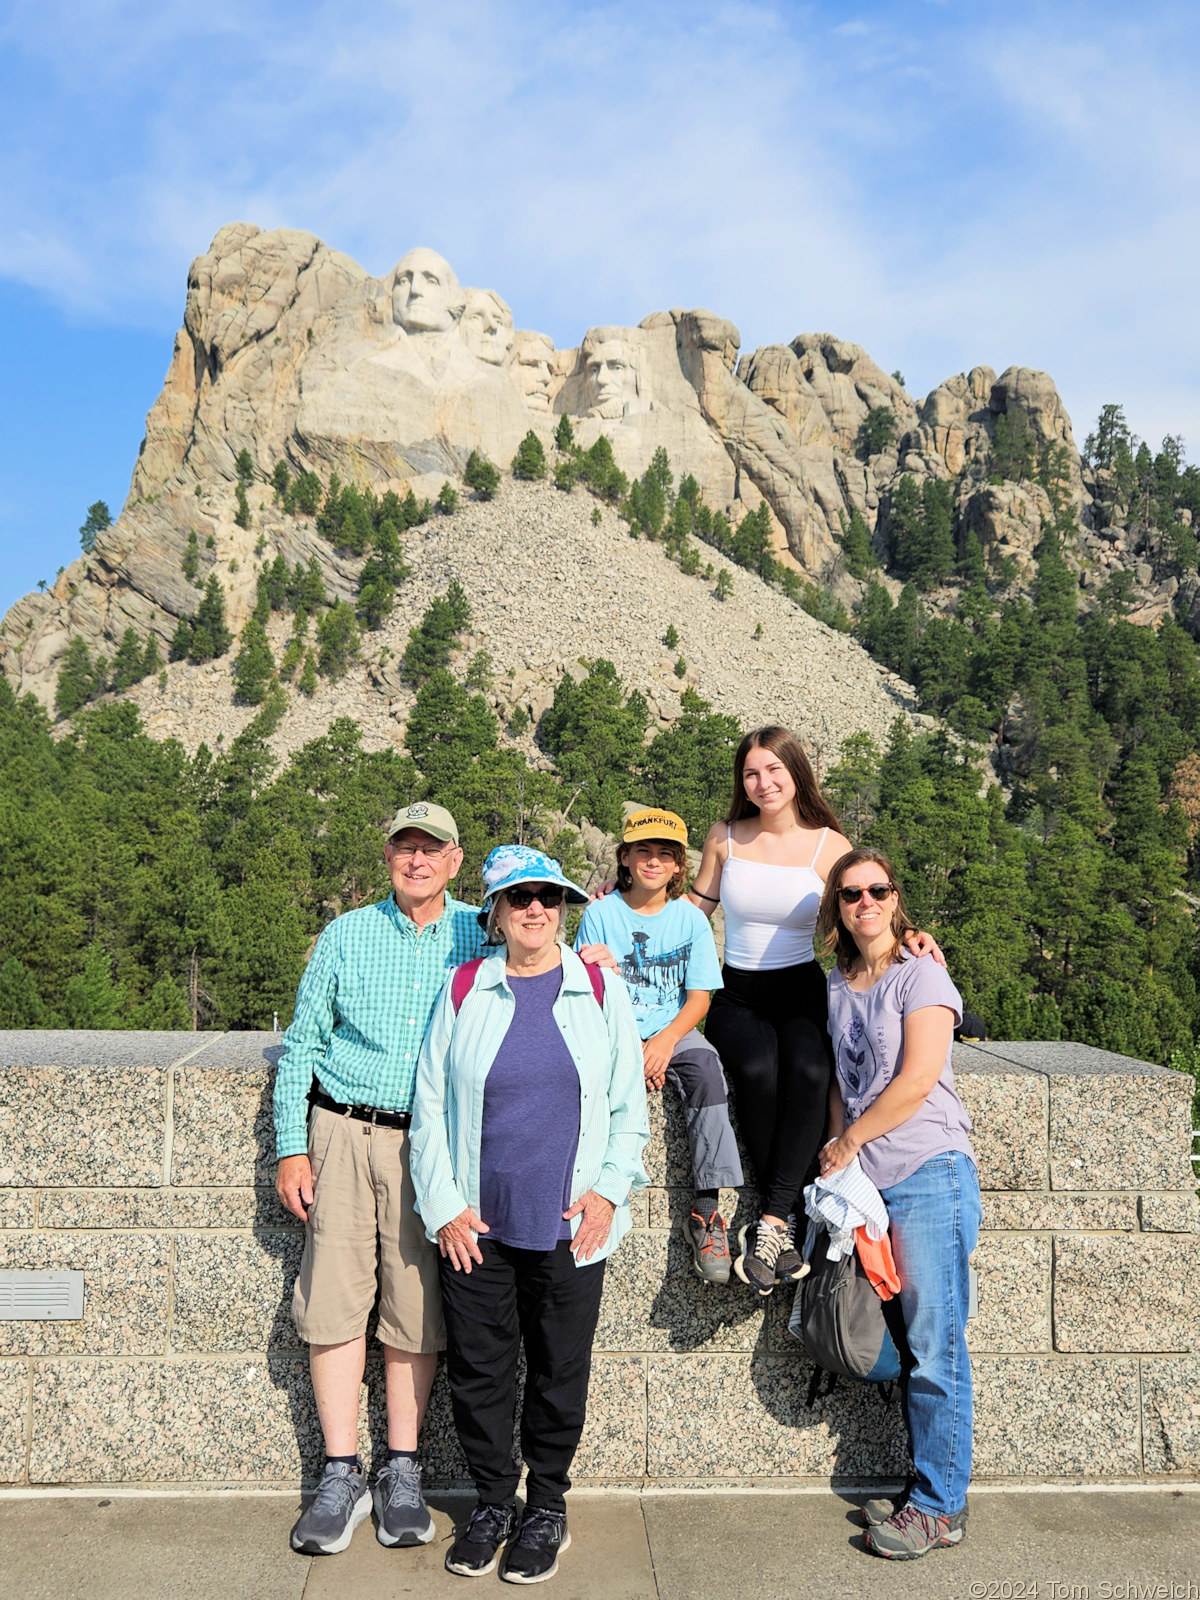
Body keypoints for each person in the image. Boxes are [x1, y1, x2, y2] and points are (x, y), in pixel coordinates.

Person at [274, 803, 614, 1558]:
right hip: (348, 1132)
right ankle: (338, 1472)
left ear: (457, 862)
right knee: (333, 1303)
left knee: (416, 1313)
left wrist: (594, 960)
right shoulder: (346, 934)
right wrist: (290, 1148)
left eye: (432, 850)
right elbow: (300, 1046)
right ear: (388, 855)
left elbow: (550, 944)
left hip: (435, 1154)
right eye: (404, 848)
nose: (417, 861)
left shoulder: (478, 929)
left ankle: (401, 1470)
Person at [411, 846, 648, 1584]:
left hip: (571, 1225)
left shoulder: (601, 991)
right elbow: (429, 1111)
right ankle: (491, 1503)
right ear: (496, 913)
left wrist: (608, 1194)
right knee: (480, 1372)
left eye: (549, 896)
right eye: (520, 899)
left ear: (566, 908)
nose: (536, 909)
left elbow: (627, 1112)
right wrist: (445, 1207)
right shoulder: (463, 990)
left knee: (557, 1370)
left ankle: (546, 1506)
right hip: (478, 1227)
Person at [690, 726, 940, 1295]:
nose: (763, 783)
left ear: (796, 772)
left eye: (774, 770)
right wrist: (629, 904)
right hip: (738, 990)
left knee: (808, 1072)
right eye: (751, 773)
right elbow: (692, 913)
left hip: (802, 987)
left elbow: (866, 903)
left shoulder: (829, 843)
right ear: (742, 782)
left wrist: (912, 937)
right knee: (754, 1072)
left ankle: (773, 1221)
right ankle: (784, 1214)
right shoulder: (724, 837)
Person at [814, 847, 980, 1561]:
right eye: (851, 894)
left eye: (877, 889)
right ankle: (930, 1487)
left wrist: (848, 1141)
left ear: (895, 896)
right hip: (866, 1189)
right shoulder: (837, 984)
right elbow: (835, 1083)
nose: (865, 902)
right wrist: (834, 1154)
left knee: (936, 1346)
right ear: (838, 907)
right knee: (904, 1345)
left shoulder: (923, 974)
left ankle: (941, 1506)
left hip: (927, 1171)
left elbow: (915, 1082)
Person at [575, 807, 743, 1284]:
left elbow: (700, 998)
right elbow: (593, 991)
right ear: (624, 858)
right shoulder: (601, 915)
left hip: (675, 1028)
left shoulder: (690, 920)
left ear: (677, 866)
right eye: (642, 851)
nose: (653, 861)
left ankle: (708, 1212)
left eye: (665, 854)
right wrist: (635, 1048)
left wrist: (665, 1042)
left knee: (708, 1072)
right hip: (614, 1027)